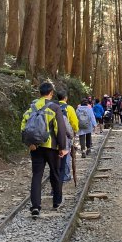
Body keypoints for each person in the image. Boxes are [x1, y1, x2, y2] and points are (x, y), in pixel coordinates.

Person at [21, 81, 67, 218]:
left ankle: (35, 206)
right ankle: (57, 202)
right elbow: (60, 128)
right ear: (51, 93)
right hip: (51, 147)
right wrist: (62, 147)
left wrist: (29, 143)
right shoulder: (54, 107)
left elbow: (24, 126)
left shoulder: (32, 107)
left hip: (35, 147)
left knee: (36, 175)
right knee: (55, 173)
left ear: (39, 93)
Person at [57, 90, 79, 183]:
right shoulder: (69, 108)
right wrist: (75, 131)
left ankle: (57, 173)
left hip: (53, 135)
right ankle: (65, 175)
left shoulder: (53, 107)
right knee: (66, 153)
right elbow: (74, 122)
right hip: (66, 135)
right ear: (65, 98)